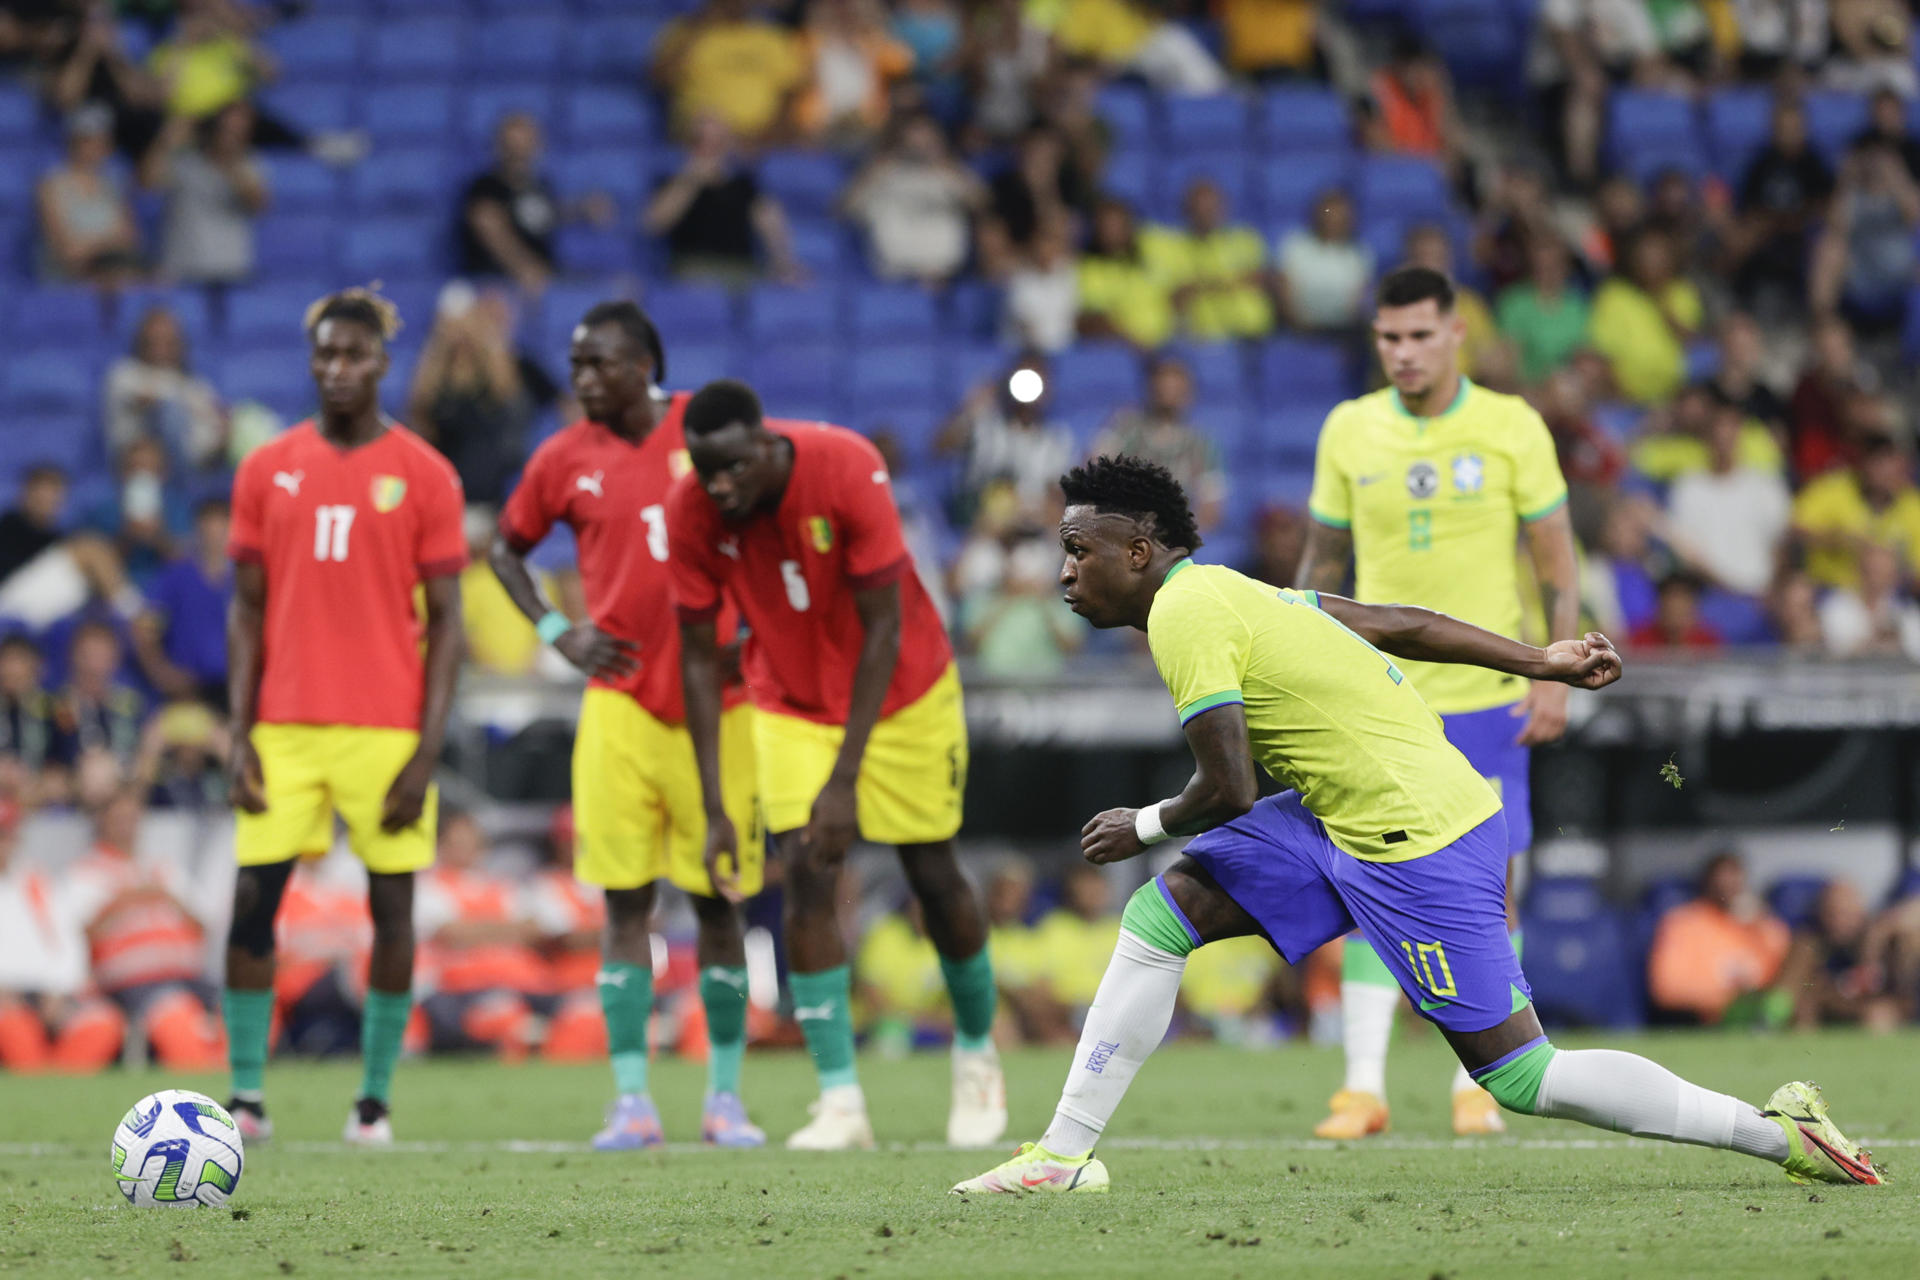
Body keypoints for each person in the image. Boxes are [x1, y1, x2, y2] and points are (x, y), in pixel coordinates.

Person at [954, 454, 1884, 1194]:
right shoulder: (1233, 591)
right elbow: (1397, 623)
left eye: (1081, 550)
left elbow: (1228, 789)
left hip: (1416, 838)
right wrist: (1541, 660)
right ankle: (1062, 1158)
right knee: (1162, 919)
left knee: (1522, 1079)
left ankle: (1774, 1132)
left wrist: (1144, 822)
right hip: (1341, 817)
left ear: (1142, 548)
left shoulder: (1187, 616)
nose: (1065, 572)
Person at [668, 379, 1004, 1151]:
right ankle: (841, 1099)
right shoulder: (693, 511)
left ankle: (978, 1056)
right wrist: (718, 805)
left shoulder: (845, 465)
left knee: (931, 869)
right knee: (808, 875)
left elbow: (883, 626)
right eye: (702, 470)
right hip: (787, 699)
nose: (718, 487)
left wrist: (844, 779)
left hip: (904, 691)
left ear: (763, 444)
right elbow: (694, 660)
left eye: (730, 470)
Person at [1294, 266, 1578, 1139]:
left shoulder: (1511, 426)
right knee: (1365, 879)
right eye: (1389, 338)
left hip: (1491, 700)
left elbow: (1558, 566)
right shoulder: (1348, 429)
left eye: (1420, 335)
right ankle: (1363, 1088)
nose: (1404, 353)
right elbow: (1320, 567)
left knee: (1493, 891)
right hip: (1382, 701)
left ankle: (1482, 1086)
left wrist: (1551, 676)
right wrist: (1291, 658)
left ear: (1456, 332)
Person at [489, 301, 768, 1149]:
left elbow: (771, 527)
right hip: (618, 707)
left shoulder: (705, 430)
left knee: (720, 900)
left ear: (646, 363)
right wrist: (555, 632)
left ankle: (724, 1099)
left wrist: (755, 633)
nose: (582, 381)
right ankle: (630, 1102)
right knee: (623, 903)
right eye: (575, 367)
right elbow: (505, 549)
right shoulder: (563, 456)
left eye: (598, 365)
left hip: (720, 710)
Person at [220, 288, 467, 1147]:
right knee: (254, 901)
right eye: (324, 355)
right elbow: (245, 611)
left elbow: (449, 627)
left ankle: (373, 1101)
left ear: (383, 362)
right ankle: (247, 1098)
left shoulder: (427, 473)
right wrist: (236, 729)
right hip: (284, 725)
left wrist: (426, 752)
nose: (337, 370)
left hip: (387, 727)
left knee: (390, 910)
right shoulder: (266, 468)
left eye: (354, 355)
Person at [68, 784, 226, 1070]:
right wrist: (128, 899)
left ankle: (233, 1084)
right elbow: (81, 934)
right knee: (176, 1011)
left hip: (186, 972)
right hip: (131, 981)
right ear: (101, 822)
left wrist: (165, 897)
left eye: (132, 818)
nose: (127, 827)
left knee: (241, 1005)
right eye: (119, 819)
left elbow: (203, 923)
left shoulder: (162, 869)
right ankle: (202, 1084)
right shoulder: (86, 873)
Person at [0, 799, 125, 1072]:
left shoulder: (36, 882)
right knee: (13, 1026)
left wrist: (58, 991)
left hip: (49, 993)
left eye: (5, 834)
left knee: (103, 1022)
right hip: (6, 997)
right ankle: (39, 1087)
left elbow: (69, 943)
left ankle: (54, 1084)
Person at [414, 812, 549, 1061]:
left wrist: (476, 930)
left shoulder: (501, 886)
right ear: (440, 846)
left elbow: (534, 930)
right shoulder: (428, 886)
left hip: (525, 981)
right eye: (457, 843)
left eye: (471, 843)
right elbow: (452, 934)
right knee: (500, 1011)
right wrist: (509, 930)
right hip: (462, 988)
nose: (466, 850)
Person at [407, 285, 552, 506]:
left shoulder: (497, 373)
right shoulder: (434, 374)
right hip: (445, 490)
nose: (460, 332)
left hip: (489, 491)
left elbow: (506, 389)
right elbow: (420, 412)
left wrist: (489, 336)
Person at [642, 114, 804, 287]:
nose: (708, 148)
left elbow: (772, 226)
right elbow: (654, 224)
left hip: (740, 270)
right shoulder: (671, 181)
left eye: (716, 142)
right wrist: (691, 179)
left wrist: (784, 264)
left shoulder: (744, 185)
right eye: (699, 141)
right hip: (693, 269)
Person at [1664, 395, 1792, 597]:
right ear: (1706, 434)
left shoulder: (1766, 485)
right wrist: (1727, 587)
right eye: (1717, 428)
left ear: (1740, 433)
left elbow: (1781, 545)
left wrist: (1770, 591)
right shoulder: (1688, 487)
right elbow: (1687, 553)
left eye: (1730, 428)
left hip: (1762, 595)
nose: (1723, 436)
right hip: (1709, 594)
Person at [1647, 851, 1792, 1025]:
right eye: (1721, 879)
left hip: (1764, 1003)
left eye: (1734, 878)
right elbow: (1666, 989)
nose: (1728, 886)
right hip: (1709, 1018)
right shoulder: (1683, 923)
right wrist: (1727, 995)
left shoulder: (1757, 922)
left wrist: (1762, 923)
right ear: (1707, 883)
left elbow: (1786, 967)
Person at [842, 112, 985, 286]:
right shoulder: (883, 174)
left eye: (927, 140)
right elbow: (843, 211)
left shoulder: (950, 175)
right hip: (894, 277)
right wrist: (873, 172)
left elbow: (982, 205)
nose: (920, 146)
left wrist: (948, 167)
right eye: (913, 140)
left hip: (944, 276)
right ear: (899, 142)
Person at [1089, 355, 1225, 532]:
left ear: (1190, 392)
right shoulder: (1123, 426)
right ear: (1150, 387)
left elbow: (1211, 509)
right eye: (1163, 384)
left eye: (1177, 386)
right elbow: (1094, 470)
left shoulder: (1202, 444)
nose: (1169, 392)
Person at [143, 99, 268, 286]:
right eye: (224, 127)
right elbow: (148, 182)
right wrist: (167, 139)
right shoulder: (184, 160)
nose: (229, 134)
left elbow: (257, 204)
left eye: (238, 130)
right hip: (182, 270)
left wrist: (230, 161)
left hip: (230, 272)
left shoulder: (251, 164)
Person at [1139, 178, 1275, 342]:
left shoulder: (1246, 239)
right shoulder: (1169, 246)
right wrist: (1232, 281)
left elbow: (1260, 278)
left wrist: (1203, 285)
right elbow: (1177, 295)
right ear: (1186, 211)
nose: (1206, 214)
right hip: (1202, 340)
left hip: (1254, 335)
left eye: (1211, 207)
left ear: (1224, 208)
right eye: (1199, 208)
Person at [652, 0, 806, 144]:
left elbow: (791, 94)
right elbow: (661, 79)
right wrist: (699, 28)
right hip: (699, 136)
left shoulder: (772, 38)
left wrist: (765, 138)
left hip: (758, 138)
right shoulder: (685, 30)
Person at [131, 497, 233, 707]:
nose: (215, 533)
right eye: (209, 524)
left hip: (237, 688)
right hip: (187, 692)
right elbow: (144, 627)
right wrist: (161, 671)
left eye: (223, 524)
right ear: (198, 528)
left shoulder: (246, 579)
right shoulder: (176, 577)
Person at [1586, 229, 1703, 406]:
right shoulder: (1614, 295)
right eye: (1645, 257)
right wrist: (1625, 397)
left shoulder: (1681, 293)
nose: (1651, 263)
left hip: (1674, 399)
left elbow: (1693, 345)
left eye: (1658, 257)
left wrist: (1662, 303)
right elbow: (1601, 353)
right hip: (1622, 399)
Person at [1792, 433, 1920, 591]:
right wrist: (1835, 539)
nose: (1884, 473)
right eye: (1877, 463)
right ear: (1862, 464)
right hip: (1831, 589)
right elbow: (1796, 530)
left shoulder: (1913, 505)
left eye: (1890, 464)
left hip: (1890, 598)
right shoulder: (1834, 488)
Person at [104, 306, 226, 471]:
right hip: (138, 465)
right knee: (170, 411)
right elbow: (148, 400)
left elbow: (218, 416)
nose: (160, 348)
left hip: (200, 465)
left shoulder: (193, 382)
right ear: (141, 341)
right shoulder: (124, 374)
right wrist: (192, 406)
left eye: (168, 341)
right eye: (153, 340)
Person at [457, 115, 565, 296]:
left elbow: (541, 215)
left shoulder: (540, 187)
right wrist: (524, 268)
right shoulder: (485, 187)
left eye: (525, 147)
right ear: (499, 147)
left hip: (542, 282)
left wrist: (582, 210)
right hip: (492, 284)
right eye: (512, 147)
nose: (519, 154)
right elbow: (488, 225)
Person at [37, 103, 141, 285]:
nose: (97, 147)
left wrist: (92, 246)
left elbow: (129, 238)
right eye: (89, 140)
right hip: (71, 278)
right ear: (73, 142)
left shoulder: (112, 184)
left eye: (102, 141)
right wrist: (107, 244)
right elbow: (65, 250)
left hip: (112, 269)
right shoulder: (51, 186)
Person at [1078, 196, 1174, 350]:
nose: (1112, 231)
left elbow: (1175, 290)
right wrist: (1134, 344)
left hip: (1167, 344)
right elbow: (1097, 318)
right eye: (1106, 226)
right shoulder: (1091, 269)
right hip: (1123, 350)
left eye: (1117, 224)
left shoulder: (1151, 250)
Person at [1276, 189, 1373, 335]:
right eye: (1328, 213)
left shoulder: (1359, 253)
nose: (1333, 219)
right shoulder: (1295, 245)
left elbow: (1358, 300)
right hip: (1298, 328)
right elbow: (1284, 290)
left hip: (1344, 331)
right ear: (1317, 214)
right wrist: (1298, 324)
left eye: (1340, 215)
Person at [1495, 235, 1589, 386]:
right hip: (1528, 388)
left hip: (1571, 386)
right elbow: (1508, 357)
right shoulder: (1514, 303)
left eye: (1554, 266)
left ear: (1566, 267)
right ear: (1532, 267)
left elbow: (1584, 353)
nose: (1549, 272)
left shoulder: (1576, 304)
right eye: (1542, 266)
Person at [0, 466, 69, 588]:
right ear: (25, 495)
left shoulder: (56, 536)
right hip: (11, 589)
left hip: (43, 588)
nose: (46, 502)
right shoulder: (10, 525)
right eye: (40, 497)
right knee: (87, 549)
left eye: (52, 497)